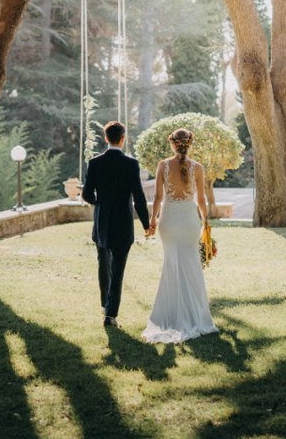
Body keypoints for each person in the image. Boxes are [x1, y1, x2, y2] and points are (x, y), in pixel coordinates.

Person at [142, 127, 218, 343]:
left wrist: (153, 220)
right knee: (192, 266)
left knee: (172, 265)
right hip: (188, 221)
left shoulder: (163, 166)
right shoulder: (198, 168)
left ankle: (171, 317)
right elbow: (201, 201)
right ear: (189, 144)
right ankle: (196, 316)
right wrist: (206, 221)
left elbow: (157, 197)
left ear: (172, 143)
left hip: (169, 221)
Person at [81, 121, 150, 327]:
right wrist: (146, 224)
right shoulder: (131, 164)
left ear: (106, 138)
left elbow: (86, 194)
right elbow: (139, 198)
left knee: (104, 265)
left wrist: (99, 202)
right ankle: (110, 315)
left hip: (102, 222)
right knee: (117, 269)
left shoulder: (94, 163)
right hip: (123, 223)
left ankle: (105, 304)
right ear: (123, 138)